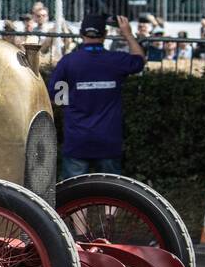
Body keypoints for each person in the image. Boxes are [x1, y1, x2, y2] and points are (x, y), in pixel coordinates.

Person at [50, 13, 145, 177]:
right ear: (105, 35)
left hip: (77, 140)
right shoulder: (116, 60)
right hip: (108, 142)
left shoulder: (68, 62)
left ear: (81, 34)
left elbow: (55, 98)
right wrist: (128, 34)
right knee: (112, 197)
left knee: (72, 198)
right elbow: (139, 60)